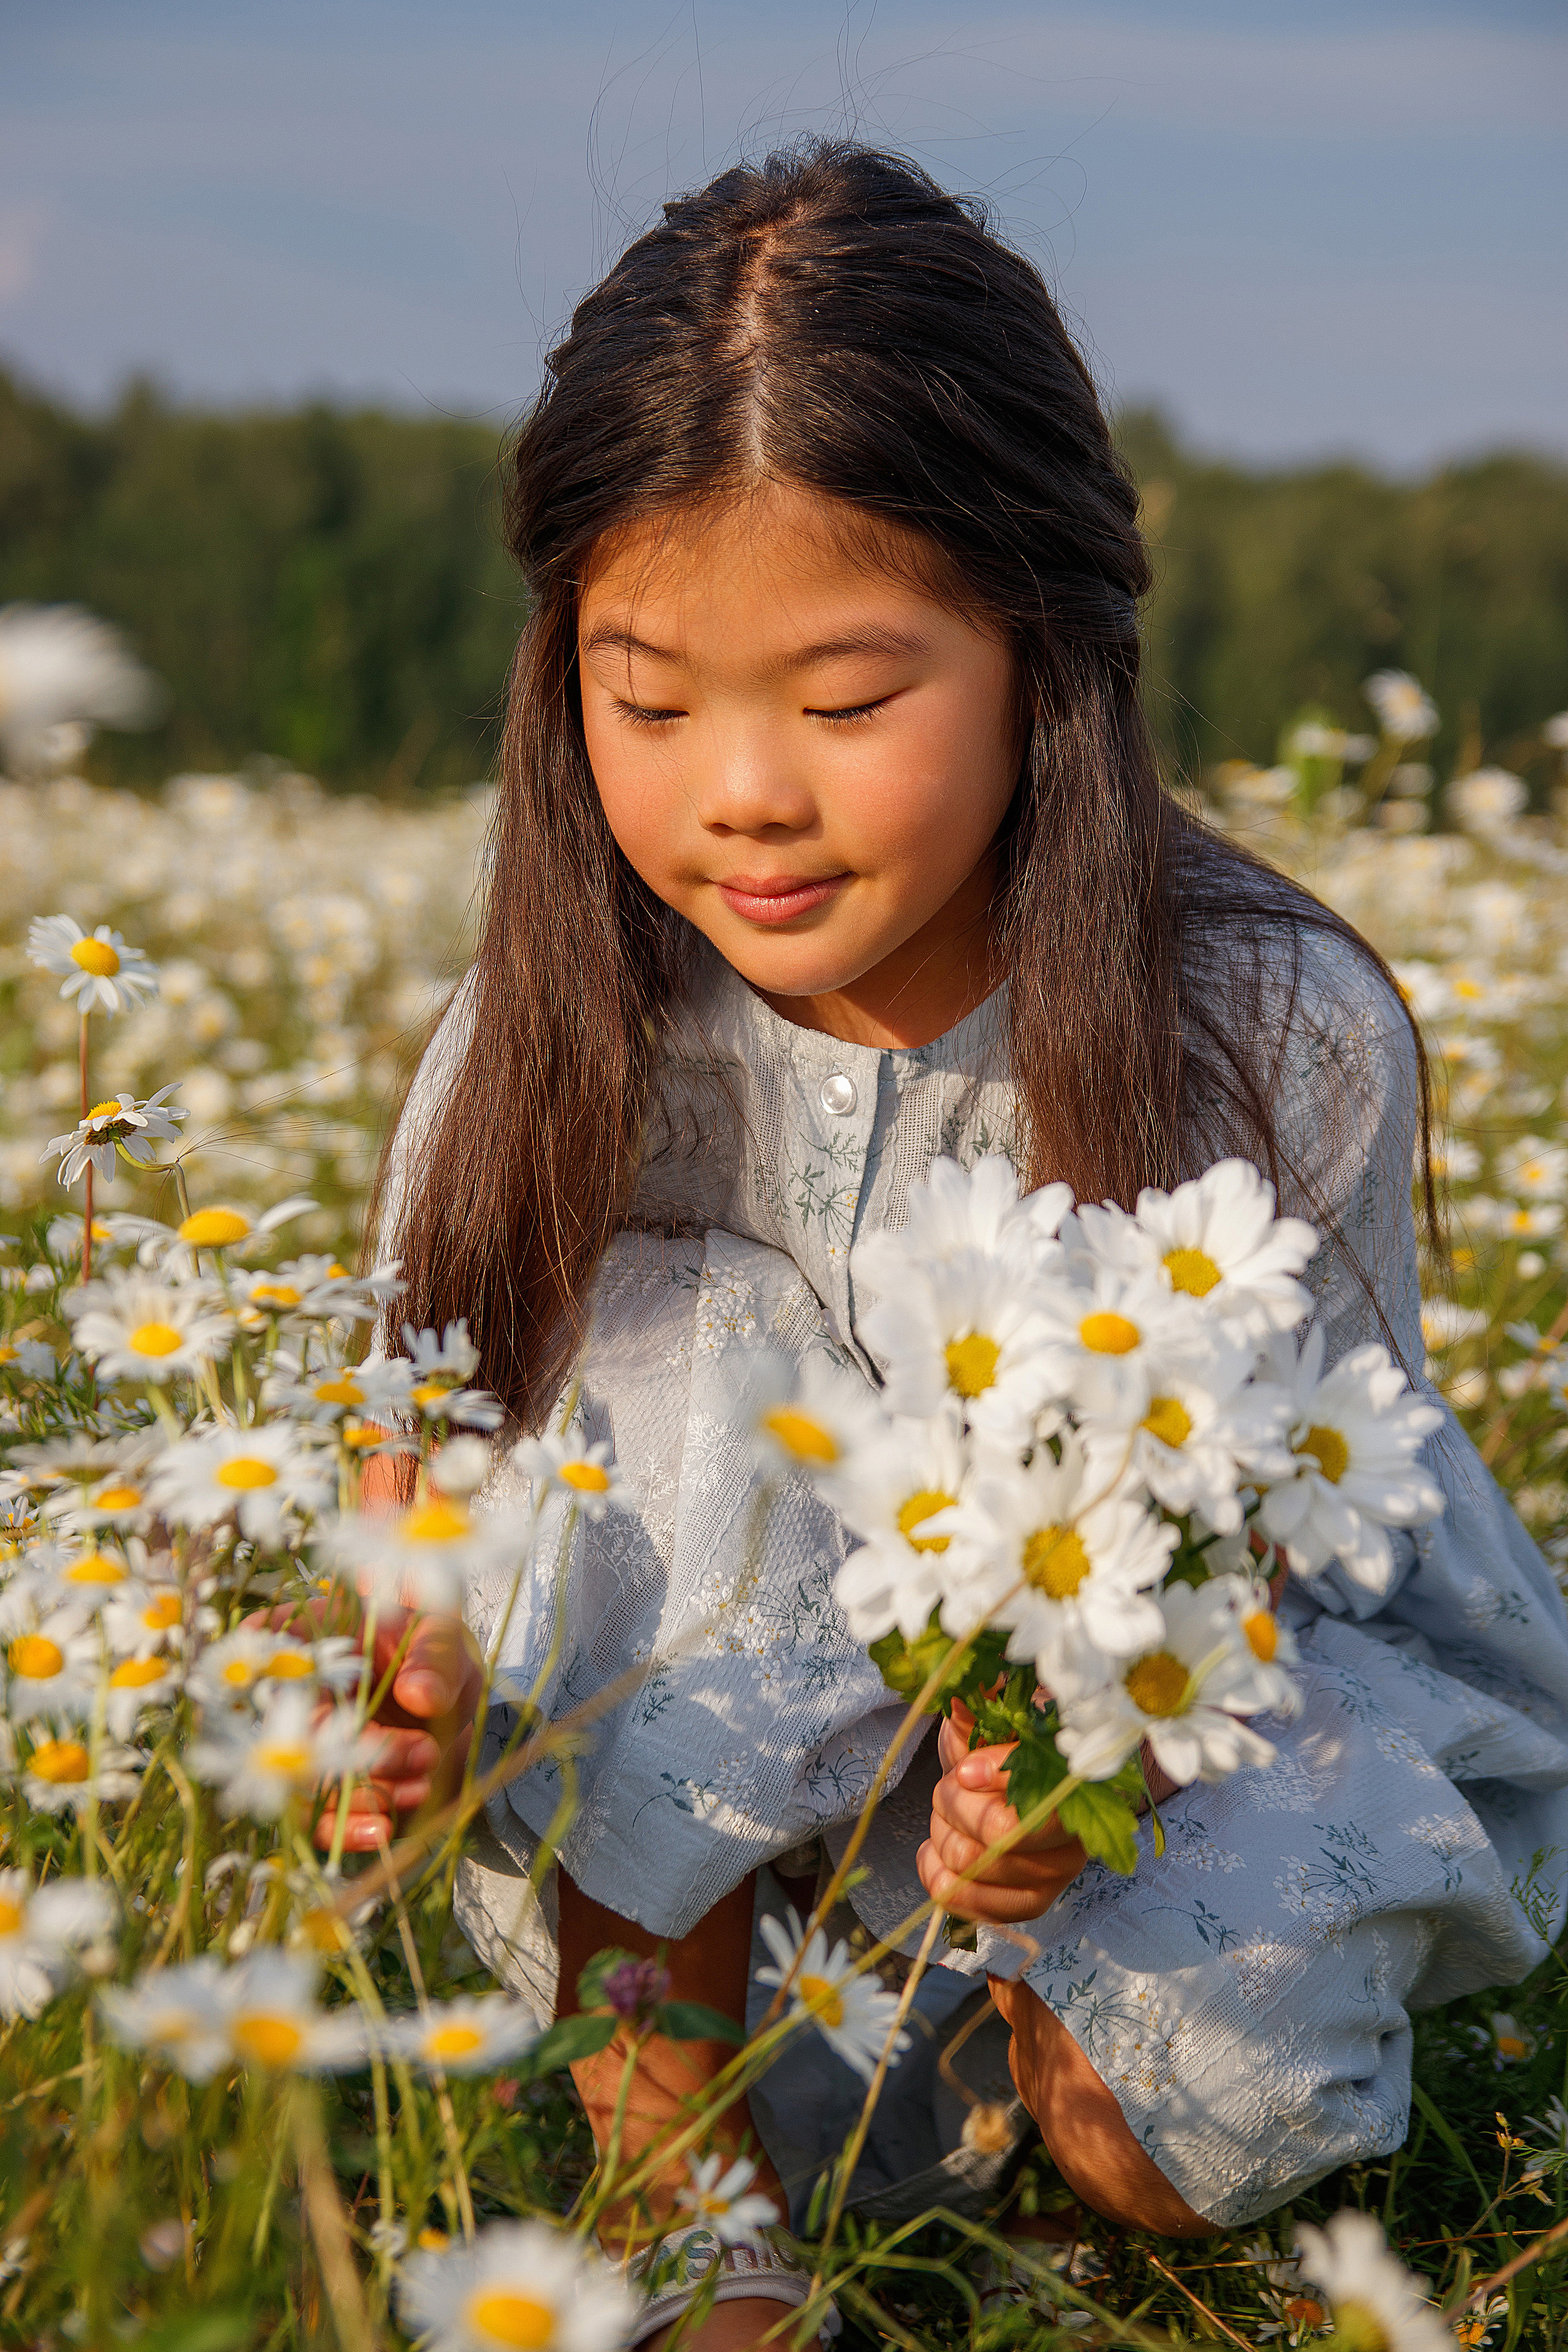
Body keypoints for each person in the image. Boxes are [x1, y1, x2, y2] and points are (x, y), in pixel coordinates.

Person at [318, 141, 1568, 2346]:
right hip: (703, 1857)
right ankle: (685, 2201)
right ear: (559, 670)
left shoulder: (1268, 1030)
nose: (741, 794)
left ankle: (1050, 2185)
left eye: (845, 696)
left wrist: (1095, 1755)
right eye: (649, 692)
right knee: (657, 1355)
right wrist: (396, 1674)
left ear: (1042, 650)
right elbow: (420, 1443)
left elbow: (1279, 1508)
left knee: (1162, 2116)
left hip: (1169, 1698)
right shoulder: (554, 1038)